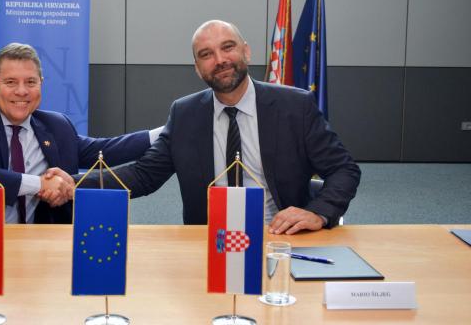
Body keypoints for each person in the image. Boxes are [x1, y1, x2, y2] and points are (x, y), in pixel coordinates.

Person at [77, 20, 361, 235]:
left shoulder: (294, 107)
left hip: (279, 235)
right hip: (210, 241)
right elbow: (143, 176)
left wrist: (319, 213)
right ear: (197, 68)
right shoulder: (185, 113)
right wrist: (71, 184)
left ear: (246, 51)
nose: (220, 60)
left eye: (228, 47)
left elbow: (343, 169)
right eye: (206, 54)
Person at [0, 43, 157, 224]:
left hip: (30, 244)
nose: (22, 91)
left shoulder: (55, 125)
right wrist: (39, 184)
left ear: (41, 83)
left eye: (30, 82)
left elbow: (104, 151)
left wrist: (167, 131)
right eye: (10, 82)